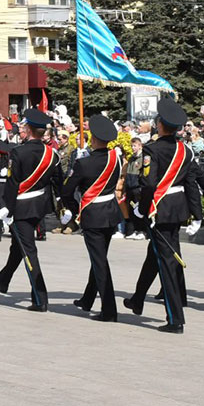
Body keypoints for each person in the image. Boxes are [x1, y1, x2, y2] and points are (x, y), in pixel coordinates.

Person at [124, 99, 204, 331]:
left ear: (160, 125)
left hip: (160, 208)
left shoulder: (152, 149)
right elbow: (191, 183)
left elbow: (149, 184)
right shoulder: (185, 150)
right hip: (177, 209)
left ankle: (175, 319)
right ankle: (138, 299)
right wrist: (196, 214)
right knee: (157, 254)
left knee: (167, 261)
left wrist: (142, 208)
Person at [0, 108, 62, 312]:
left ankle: (40, 298)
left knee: (29, 251)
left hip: (22, 207)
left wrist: (6, 209)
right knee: (18, 245)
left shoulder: (18, 152)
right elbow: (58, 182)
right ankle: (4, 278)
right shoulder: (52, 154)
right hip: (40, 206)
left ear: (29, 130)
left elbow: (13, 184)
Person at [64, 114, 124, 322]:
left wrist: (74, 209)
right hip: (111, 213)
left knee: (99, 262)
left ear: (93, 138)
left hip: (93, 215)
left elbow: (67, 191)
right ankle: (87, 299)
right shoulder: (116, 159)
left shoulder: (83, 164)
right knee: (99, 257)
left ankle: (109, 310)